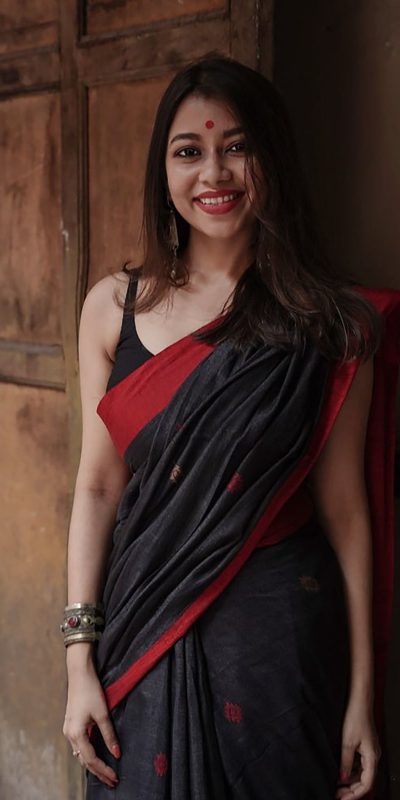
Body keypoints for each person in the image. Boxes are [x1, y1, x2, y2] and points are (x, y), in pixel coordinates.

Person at [62, 55, 400, 799]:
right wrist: (79, 657)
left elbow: (346, 512)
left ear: (272, 157)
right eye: (189, 151)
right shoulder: (115, 308)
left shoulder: (329, 325)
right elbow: (97, 487)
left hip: (275, 647)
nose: (214, 172)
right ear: (163, 172)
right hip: (141, 630)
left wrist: (362, 695)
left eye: (237, 146)